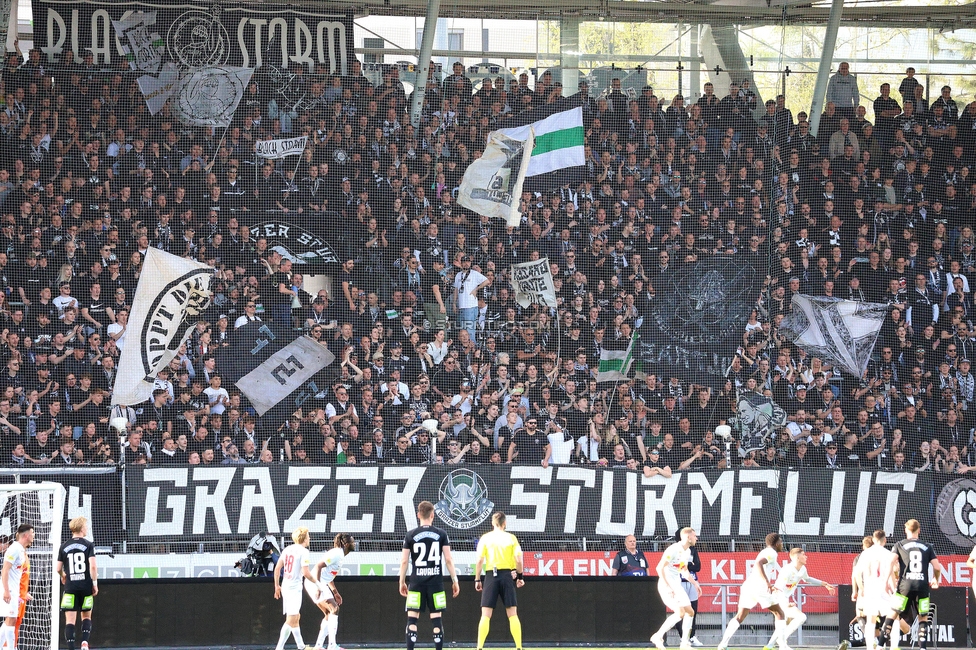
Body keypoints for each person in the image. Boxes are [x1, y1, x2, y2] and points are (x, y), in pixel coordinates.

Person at [399, 501, 460, 650]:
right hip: (436, 584)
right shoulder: (441, 534)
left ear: (418, 515)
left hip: (416, 583)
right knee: (436, 620)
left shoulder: (410, 535)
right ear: (432, 515)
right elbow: (448, 559)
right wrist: (455, 580)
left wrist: (402, 581)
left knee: (412, 620)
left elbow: (404, 561)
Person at [878, 519, 943, 650]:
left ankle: (880, 646)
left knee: (892, 615)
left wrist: (885, 582)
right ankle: (923, 648)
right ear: (919, 530)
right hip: (922, 587)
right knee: (923, 618)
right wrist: (936, 579)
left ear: (906, 530)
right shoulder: (927, 546)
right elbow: (937, 567)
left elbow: (890, 563)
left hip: (904, 586)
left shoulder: (899, 545)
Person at [717, 533, 786, 650]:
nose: (782, 544)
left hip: (748, 586)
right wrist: (767, 582)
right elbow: (759, 563)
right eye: (781, 542)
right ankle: (783, 646)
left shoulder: (765, 551)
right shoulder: (772, 553)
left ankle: (722, 644)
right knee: (780, 613)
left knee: (740, 616)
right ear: (777, 543)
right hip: (759, 587)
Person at [762, 547, 836, 650]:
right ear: (797, 557)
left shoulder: (802, 569)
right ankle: (781, 641)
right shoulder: (787, 570)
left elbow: (807, 579)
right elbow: (778, 589)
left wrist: (825, 584)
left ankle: (769, 646)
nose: (806, 556)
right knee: (801, 617)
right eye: (803, 554)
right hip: (778, 599)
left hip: (784, 599)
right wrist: (784, 604)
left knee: (783, 624)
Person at [474, 512, 524, 650]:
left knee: (485, 614)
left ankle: (479, 647)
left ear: (492, 523)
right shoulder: (511, 538)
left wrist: (477, 578)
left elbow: (479, 560)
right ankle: (519, 646)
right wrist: (520, 577)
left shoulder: (485, 538)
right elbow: (519, 560)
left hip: (491, 575)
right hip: (507, 575)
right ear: (504, 523)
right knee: (512, 613)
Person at [650, 527, 701, 650]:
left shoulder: (688, 551)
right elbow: (659, 568)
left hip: (677, 585)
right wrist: (668, 586)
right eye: (694, 536)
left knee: (690, 612)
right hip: (666, 585)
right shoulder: (673, 549)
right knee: (680, 613)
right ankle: (658, 636)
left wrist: (695, 583)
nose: (696, 538)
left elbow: (683, 570)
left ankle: (684, 644)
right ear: (688, 537)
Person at [305, 533, 356, 650]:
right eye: (352, 542)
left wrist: (335, 592)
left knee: (329, 614)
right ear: (346, 544)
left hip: (319, 583)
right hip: (315, 583)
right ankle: (332, 645)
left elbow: (329, 576)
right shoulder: (337, 553)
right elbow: (318, 566)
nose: (354, 544)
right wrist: (318, 587)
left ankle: (318, 646)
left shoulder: (340, 555)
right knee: (334, 609)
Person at [273, 527, 320, 650]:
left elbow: (277, 568)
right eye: (308, 536)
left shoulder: (288, 549)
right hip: (294, 588)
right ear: (304, 538)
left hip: (285, 586)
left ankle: (301, 646)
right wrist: (318, 584)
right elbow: (306, 573)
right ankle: (279, 647)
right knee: (291, 618)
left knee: (296, 617)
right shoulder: (304, 551)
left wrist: (277, 586)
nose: (309, 538)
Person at [55, 517, 98, 650]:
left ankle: (71, 647)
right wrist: (94, 583)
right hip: (86, 587)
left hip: (70, 587)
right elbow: (93, 566)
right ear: (81, 528)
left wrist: (63, 575)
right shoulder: (89, 545)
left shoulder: (64, 546)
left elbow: (57, 568)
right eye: (86, 526)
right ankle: (84, 642)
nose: (87, 529)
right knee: (86, 615)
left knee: (70, 620)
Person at [853, 530, 894, 650]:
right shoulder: (888, 553)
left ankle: (870, 647)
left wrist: (861, 589)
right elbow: (892, 572)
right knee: (892, 617)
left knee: (870, 619)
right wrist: (893, 588)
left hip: (870, 590)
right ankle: (887, 646)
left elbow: (857, 573)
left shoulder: (866, 553)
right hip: (883, 589)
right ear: (885, 540)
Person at [0, 525, 34, 650]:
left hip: (16, 591)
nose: (34, 535)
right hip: (10, 590)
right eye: (32, 533)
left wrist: (23, 592)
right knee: (12, 620)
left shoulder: (20, 550)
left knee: (11, 620)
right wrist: (6, 591)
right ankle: (10, 648)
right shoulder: (14, 549)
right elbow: (5, 570)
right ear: (26, 535)